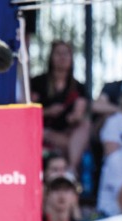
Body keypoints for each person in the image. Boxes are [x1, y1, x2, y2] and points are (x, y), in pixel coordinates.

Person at [29, 40, 89, 175]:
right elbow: (28, 113)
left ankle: (71, 170)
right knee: (62, 140)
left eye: (66, 54)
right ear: (51, 57)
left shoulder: (78, 87)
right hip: (43, 131)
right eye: (58, 53)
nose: (62, 57)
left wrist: (75, 117)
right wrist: (48, 111)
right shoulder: (38, 82)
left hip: (67, 133)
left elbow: (79, 112)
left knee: (84, 126)